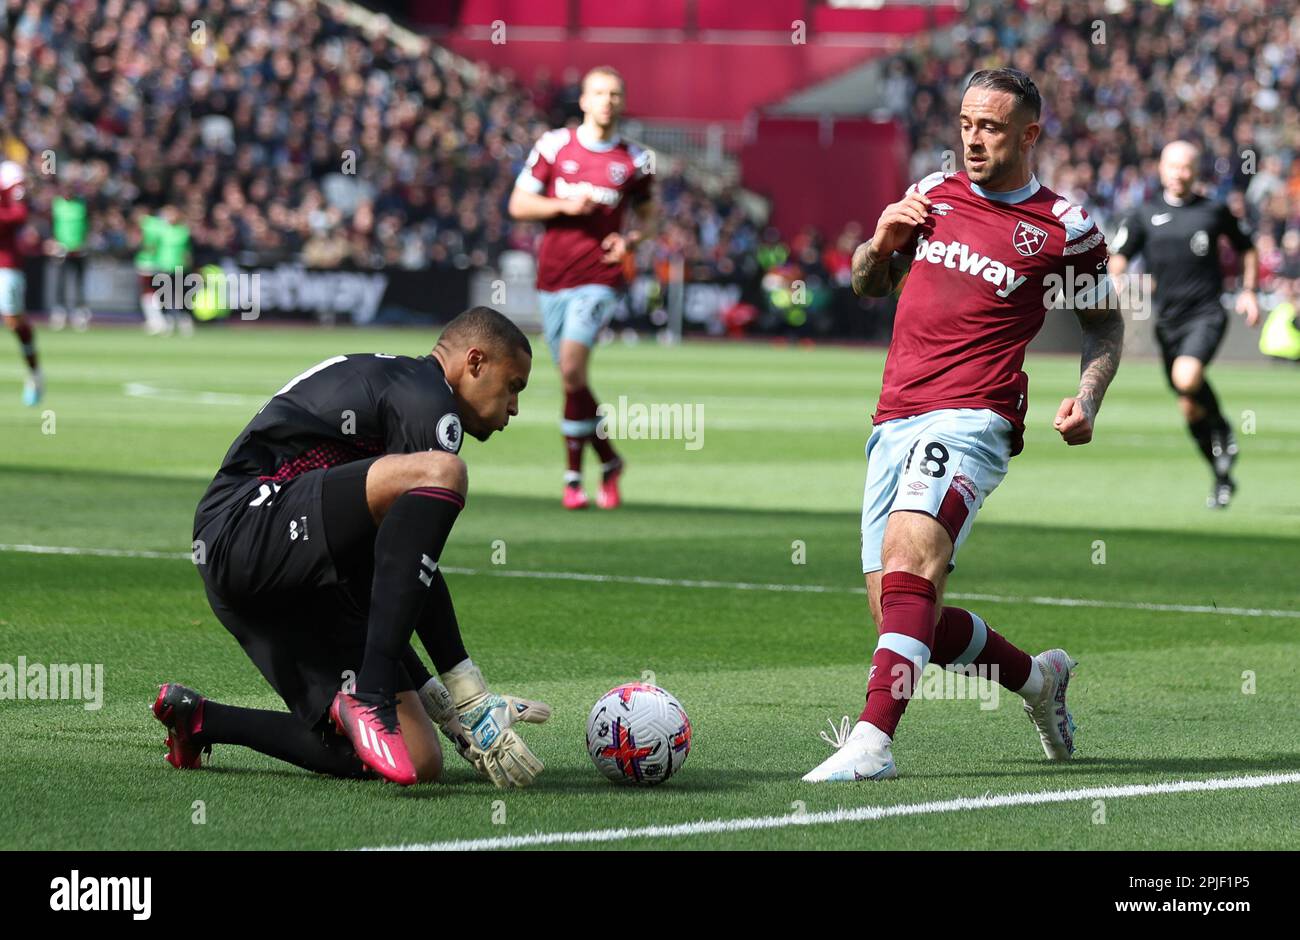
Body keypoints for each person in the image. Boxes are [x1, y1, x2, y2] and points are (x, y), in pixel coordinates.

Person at [803, 69, 1124, 783]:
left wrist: (1089, 398)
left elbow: (1103, 325)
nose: (973, 140)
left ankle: (872, 743)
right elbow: (868, 284)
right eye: (966, 124)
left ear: (1029, 134)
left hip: (977, 412)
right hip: (894, 415)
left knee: (914, 556)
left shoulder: (1062, 228)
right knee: (904, 612)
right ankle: (1039, 681)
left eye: (990, 128)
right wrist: (881, 242)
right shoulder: (933, 195)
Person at [153, 307, 550, 787]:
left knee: (419, 760)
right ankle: (373, 697)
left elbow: (395, 570)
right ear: (475, 361)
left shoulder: (403, 393)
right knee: (443, 473)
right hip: (244, 528)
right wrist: (468, 693)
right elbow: (409, 554)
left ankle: (199, 720)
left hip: (289, 579)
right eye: (514, 386)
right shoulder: (428, 400)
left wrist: (445, 707)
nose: (514, 407)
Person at [508, 65, 656, 510]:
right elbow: (518, 204)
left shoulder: (636, 160)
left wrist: (629, 240)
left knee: (571, 369)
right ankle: (609, 461)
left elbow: (649, 218)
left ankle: (572, 478)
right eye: (599, 93)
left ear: (622, 102)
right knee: (572, 380)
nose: (607, 101)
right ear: (584, 101)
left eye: (615, 94)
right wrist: (565, 205)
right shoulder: (555, 145)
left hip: (600, 279)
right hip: (553, 276)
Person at [1108, 141, 1259, 508]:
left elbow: (1247, 247)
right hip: (1168, 323)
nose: (1179, 173)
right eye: (1172, 166)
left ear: (1195, 171)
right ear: (1161, 170)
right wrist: (1117, 280)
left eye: (1186, 167)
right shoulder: (1144, 214)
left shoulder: (1213, 210)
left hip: (1206, 313)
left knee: (1186, 378)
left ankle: (1222, 429)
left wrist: (1249, 290)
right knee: (1189, 407)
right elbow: (1119, 257)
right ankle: (1221, 475)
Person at [0, 158, 41, 405]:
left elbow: (20, 215)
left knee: (14, 322)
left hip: (6, 264)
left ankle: (34, 373)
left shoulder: (11, 175)